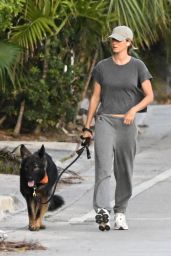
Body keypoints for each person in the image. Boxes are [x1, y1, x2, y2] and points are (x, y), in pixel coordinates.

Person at [82, 25, 154, 231]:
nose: (114, 42)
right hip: (105, 121)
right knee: (103, 168)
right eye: (112, 39)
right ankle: (102, 211)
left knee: (124, 170)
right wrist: (87, 126)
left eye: (119, 40)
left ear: (129, 43)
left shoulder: (138, 66)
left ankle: (120, 212)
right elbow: (95, 97)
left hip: (127, 124)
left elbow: (149, 95)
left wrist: (134, 110)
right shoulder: (102, 67)